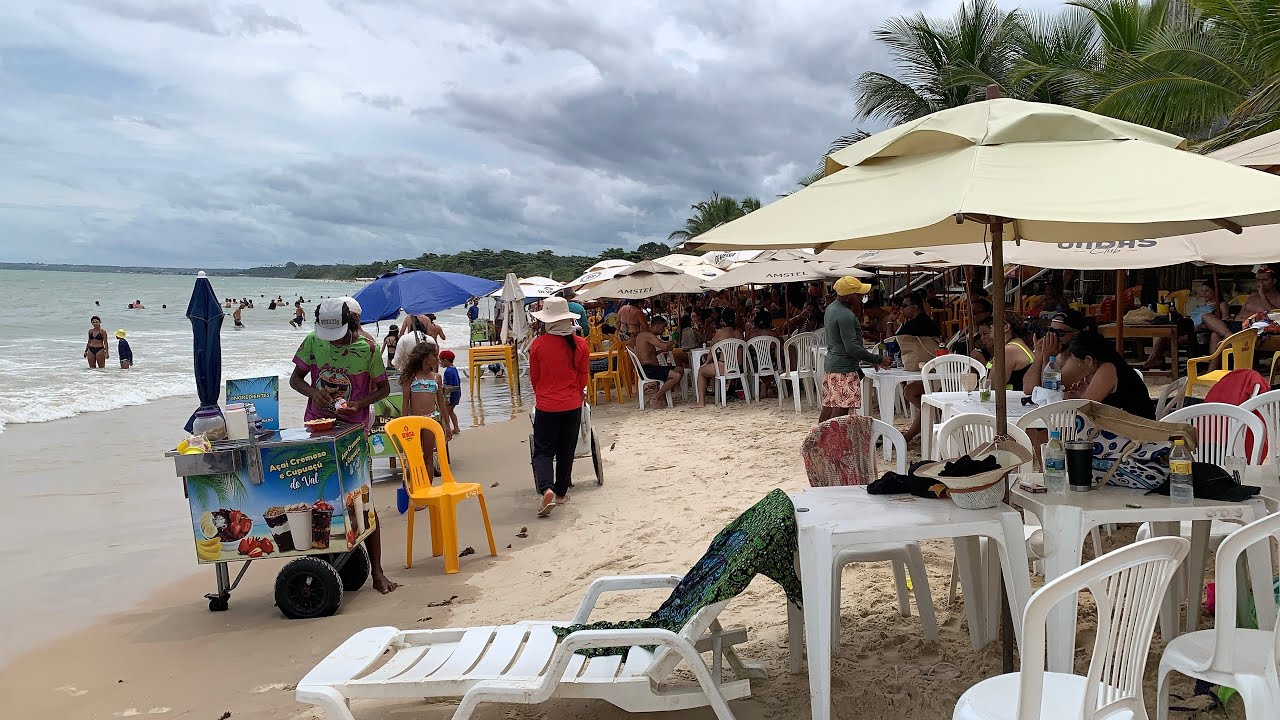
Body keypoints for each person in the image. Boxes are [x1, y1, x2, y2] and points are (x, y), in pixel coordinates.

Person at [289, 297, 397, 593]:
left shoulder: (368, 349)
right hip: (317, 427)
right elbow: (295, 380)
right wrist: (314, 393)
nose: (333, 344)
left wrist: (358, 404)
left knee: (363, 498)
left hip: (353, 430)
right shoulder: (313, 341)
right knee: (319, 497)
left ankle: (377, 572)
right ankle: (323, 561)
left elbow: (384, 388)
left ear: (351, 325)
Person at [527, 297, 590, 517]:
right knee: (566, 450)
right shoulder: (580, 343)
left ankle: (547, 488)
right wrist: (576, 393)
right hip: (572, 403)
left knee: (544, 451)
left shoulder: (538, 344)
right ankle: (561, 493)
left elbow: (534, 378)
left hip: (547, 405)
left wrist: (543, 394)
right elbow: (583, 376)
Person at [820, 276, 890, 423]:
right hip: (844, 369)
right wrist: (878, 359)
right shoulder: (846, 315)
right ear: (846, 297)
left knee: (829, 407)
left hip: (833, 366)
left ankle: (818, 441)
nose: (861, 297)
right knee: (841, 411)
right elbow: (852, 348)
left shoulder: (831, 308)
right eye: (858, 294)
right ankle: (834, 443)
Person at [1060, 331, 1155, 418]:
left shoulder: (1107, 370)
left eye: (1078, 362)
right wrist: (1082, 395)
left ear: (1089, 360)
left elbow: (1083, 411)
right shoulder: (1111, 363)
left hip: (1138, 430)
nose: (1078, 365)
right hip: (1126, 424)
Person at [1142, 280, 1227, 370]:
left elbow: (1224, 321)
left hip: (1198, 332)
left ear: (1215, 291)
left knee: (1170, 337)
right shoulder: (1204, 304)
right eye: (1203, 291)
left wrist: (1203, 326)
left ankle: (1155, 359)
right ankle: (1154, 358)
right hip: (1189, 328)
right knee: (1167, 332)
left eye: (1207, 291)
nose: (1204, 294)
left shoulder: (1221, 305)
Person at [894, 294, 942, 443]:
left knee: (911, 392)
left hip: (931, 371)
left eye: (904, 306)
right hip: (933, 368)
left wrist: (891, 321)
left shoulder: (915, 325)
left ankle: (934, 416)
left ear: (914, 307)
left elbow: (893, 343)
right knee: (919, 397)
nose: (902, 309)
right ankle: (914, 431)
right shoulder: (927, 322)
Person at [399, 342, 452, 475]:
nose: (437, 359)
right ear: (424, 357)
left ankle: (428, 488)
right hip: (413, 421)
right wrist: (403, 424)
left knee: (428, 457)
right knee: (414, 458)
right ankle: (418, 488)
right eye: (434, 356)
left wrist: (447, 425)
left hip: (431, 419)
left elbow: (441, 402)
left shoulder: (436, 378)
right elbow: (405, 402)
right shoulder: (411, 377)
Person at [1202, 266, 1280, 349]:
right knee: (1206, 316)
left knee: (1215, 335)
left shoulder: (1277, 297)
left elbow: (1274, 315)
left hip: (1249, 328)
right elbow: (1242, 311)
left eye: (1264, 280)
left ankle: (1231, 340)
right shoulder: (1253, 295)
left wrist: (1262, 295)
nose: (1260, 284)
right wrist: (1234, 318)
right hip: (1235, 324)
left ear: (1274, 281)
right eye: (1259, 280)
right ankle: (1230, 336)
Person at [1022, 309, 1089, 395]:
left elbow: (1050, 391)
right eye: (1051, 331)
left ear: (1077, 333)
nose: (1054, 336)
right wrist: (1039, 355)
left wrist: (1048, 358)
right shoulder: (1056, 354)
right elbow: (1028, 389)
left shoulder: (1079, 359)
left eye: (1060, 332)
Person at [632, 316, 684, 409]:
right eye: (663, 327)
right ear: (657, 325)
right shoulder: (647, 335)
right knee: (676, 376)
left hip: (652, 368)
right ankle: (656, 397)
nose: (663, 330)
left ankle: (662, 393)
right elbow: (664, 346)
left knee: (680, 369)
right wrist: (674, 340)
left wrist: (660, 352)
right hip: (648, 369)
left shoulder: (647, 335)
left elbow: (650, 353)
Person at [976, 316, 1034, 388]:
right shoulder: (1018, 344)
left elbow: (992, 386)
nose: (991, 326)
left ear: (1006, 327)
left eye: (994, 323)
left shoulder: (1009, 350)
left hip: (1013, 398)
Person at [439, 349, 463, 435]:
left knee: (445, 412)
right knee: (450, 411)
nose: (440, 363)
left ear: (445, 360)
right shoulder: (454, 369)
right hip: (457, 394)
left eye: (441, 360)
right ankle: (456, 428)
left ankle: (446, 428)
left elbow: (448, 386)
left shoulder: (448, 371)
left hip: (451, 395)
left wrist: (447, 398)